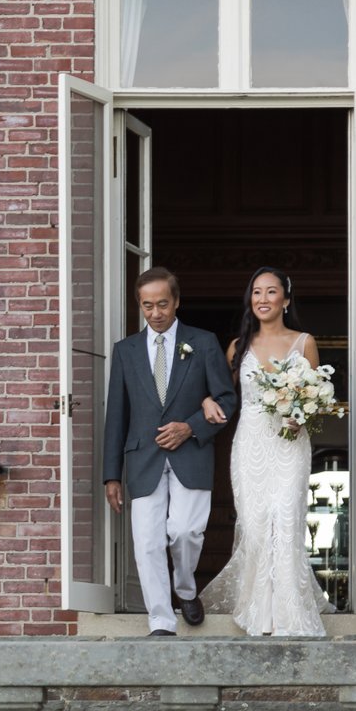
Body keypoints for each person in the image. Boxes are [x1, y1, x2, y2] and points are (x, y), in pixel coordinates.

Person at [103, 267, 237, 636]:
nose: (156, 313)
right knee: (146, 542)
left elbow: (226, 399)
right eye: (148, 306)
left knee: (185, 532)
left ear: (176, 301)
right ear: (139, 305)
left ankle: (185, 588)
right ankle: (161, 620)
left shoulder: (204, 342)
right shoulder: (125, 351)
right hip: (142, 458)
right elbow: (117, 413)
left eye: (163, 304)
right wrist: (111, 474)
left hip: (191, 454)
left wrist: (191, 426)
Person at [200, 267, 334, 636]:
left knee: (286, 520)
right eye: (256, 292)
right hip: (250, 442)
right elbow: (224, 396)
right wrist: (207, 399)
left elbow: (317, 397)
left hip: (290, 443)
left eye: (271, 292)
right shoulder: (237, 346)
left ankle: (288, 615)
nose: (262, 299)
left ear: (286, 300)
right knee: (256, 525)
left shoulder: (303, 341)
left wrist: (301, 416)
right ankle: (258, 611)